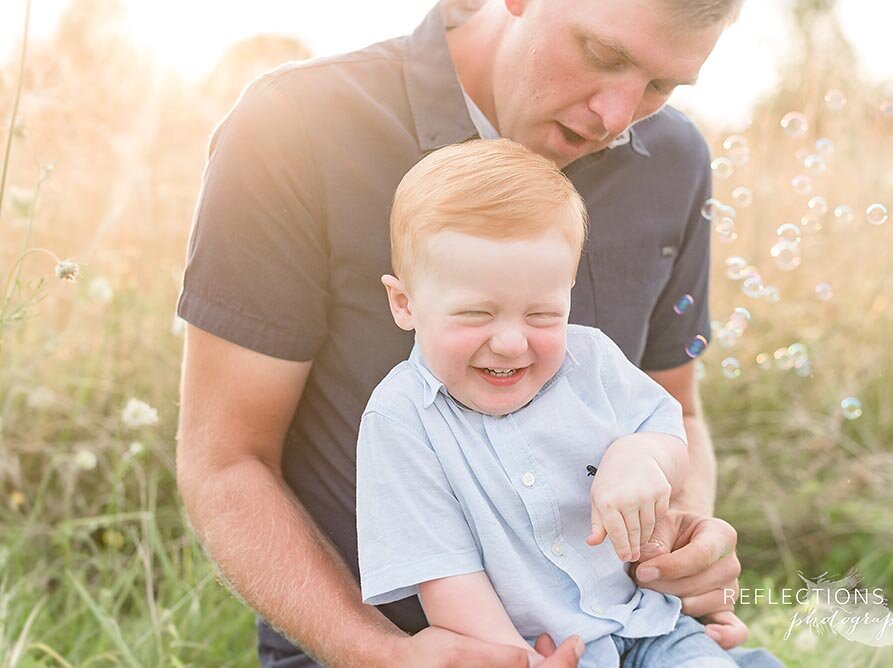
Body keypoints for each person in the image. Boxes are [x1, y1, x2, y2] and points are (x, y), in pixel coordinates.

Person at [176, 0, 766, 666]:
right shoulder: (296, 127)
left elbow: (673, 407)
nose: (617, 118)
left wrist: (676, 540)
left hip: (628, 629)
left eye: (662, 87)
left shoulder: (673, 160)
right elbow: (228, 460)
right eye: (603, 55)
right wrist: (378, 652)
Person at [356, 137, 752, 668]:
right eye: (476, 314)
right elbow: (446, 575)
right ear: (404, 303)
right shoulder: (401, 419)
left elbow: (667, 430)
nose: (512, 343)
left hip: (649, 624)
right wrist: (518, 659)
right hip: (543, 650)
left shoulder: (592, 362)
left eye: (542, 315)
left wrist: (639, 456)